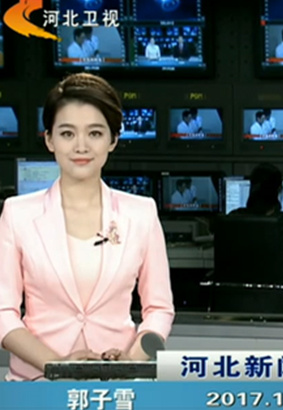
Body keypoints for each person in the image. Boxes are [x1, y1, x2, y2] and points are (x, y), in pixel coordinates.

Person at [0, 73, 175, 381]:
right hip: (36, 384)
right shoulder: (17, 214)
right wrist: (56, 365)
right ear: (50, 139)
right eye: (67, 133)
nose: (81, 146)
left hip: (117, 385)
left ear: (113, 140)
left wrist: (130, 362)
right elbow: (3, 313)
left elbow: (159, 310)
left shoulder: (142, 214)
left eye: (94, 133)